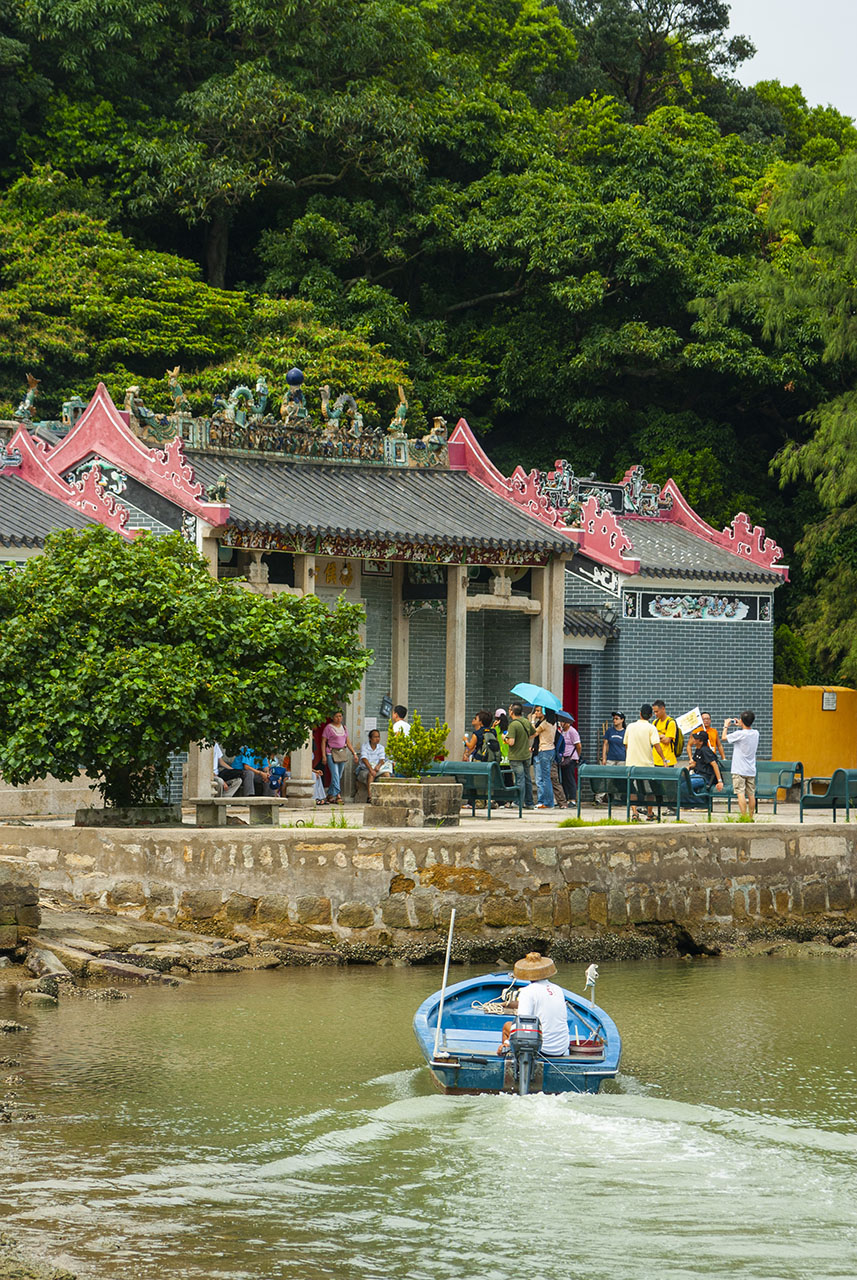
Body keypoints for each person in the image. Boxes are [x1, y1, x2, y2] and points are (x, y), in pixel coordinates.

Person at [496, 953, 569, 1057]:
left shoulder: (528, 992)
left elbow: (522, 1024)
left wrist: (506, 1043)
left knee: (507, 1026)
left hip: (542, 1049)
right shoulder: (558, 989)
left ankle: (508, 1053)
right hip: (562, 1047)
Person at [623, 704, 665, 821]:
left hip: (631, 764)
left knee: (632, 789)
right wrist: (664, 759)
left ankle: (635, 813)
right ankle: (650, 813)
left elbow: (626, 744)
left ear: (640, 713)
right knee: (649, 790)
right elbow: (657, 745)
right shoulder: (651, 728)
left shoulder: (630, 727)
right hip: (647, 765)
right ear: (651, 716)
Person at [724, 710, 759, 819]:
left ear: (742, 721)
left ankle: (743, 817)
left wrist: (726, 726)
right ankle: (751, 817)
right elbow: (746, 731)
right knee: (751, 794)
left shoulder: (739, 734)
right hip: (751, 769)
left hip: (739, 769)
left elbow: (724, 737)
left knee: (740, 793)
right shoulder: (756, 733)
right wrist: (742, 724)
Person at [321, 710, 359, 804]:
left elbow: (348, 742)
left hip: (341, 753)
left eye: (340, 716)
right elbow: (323, 742)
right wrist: (323, 756)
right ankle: (338, 796)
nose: (339, 718)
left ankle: (330, 794)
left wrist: (354, 753)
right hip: (331, 752)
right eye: (337, 716)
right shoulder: (328, 728)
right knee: (335, 775)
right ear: (333, 717)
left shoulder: (344, 728)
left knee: (339, 775)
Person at [504, 702, 534, 809]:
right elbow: (533, 733)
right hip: (526, 755)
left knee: (519, 779)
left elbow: (511, 742)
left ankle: (518, 802)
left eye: (509, 709)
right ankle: (529, 802)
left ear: (512, 711)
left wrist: (504, 738)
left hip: (516, 756)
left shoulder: (513, 724)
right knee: (527, 779)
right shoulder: (526, 721)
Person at [685, 728, 725, 797]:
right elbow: (695, 763)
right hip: (697, 775)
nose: (693, 739)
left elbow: (714, 764)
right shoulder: (698, 749)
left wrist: (720, 781)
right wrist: (689, 767)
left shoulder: (705, 750)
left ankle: (695, 803)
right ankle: (687, 804)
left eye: (696, 739)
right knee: (681, 781)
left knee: (686, 785)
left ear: (701, 742)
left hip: (705, 778)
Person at [531, 706, 558, 809]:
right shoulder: (553, 723)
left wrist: (532, 720)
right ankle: (548, 802)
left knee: (545, 778)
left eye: (539, 711)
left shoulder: (544, 724)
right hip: (551, 750)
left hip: (544, 751)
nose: (537, 713)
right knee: (547, 778)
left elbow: (533, 733)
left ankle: (548, 803)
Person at [597, 712, 626, 804]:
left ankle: (617, 797)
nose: (614, 720)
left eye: (617, 718)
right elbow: (605, 744)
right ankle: (599, 797)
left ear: (622, 720)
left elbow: (627, 746)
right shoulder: (609, 731)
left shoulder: (625, 732)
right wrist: (604, 758)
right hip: (611, 758)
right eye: (614, 719)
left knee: (620, 779)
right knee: (606, 778)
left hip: (622, 758)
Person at [356, 728, 390, 796]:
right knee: (371, 774)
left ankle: (386, 795)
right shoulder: (365, 746)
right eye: (375, 737)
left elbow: (382, 759)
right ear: (370, 738)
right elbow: (364, 759)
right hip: (366, 769)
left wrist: (378, 766)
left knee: (387, 774)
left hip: (378, 768)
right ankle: (370, 796)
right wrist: (371, 769)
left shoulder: (381, 747)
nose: (377, 739)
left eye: (378, 737)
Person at [557, 712, 581, 805]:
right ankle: (566, 797)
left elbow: (578, 745)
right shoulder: (562, 731)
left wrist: (576, 756)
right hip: (563, 758)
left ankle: (572, 799)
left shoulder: (572, 731)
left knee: (570, 779)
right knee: (563, 779)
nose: (562, 724)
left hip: (571, 758)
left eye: (563, 722)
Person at [651, 699, 677, 767]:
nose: (655, 714)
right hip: (656, 759)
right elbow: (651, 739)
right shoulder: (655, 722)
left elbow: (667, 741)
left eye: (657, 711)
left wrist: (656, 736)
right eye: (654, 712)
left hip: (667, 760)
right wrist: (661, 736)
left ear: (663, 709)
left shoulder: (671, 723)